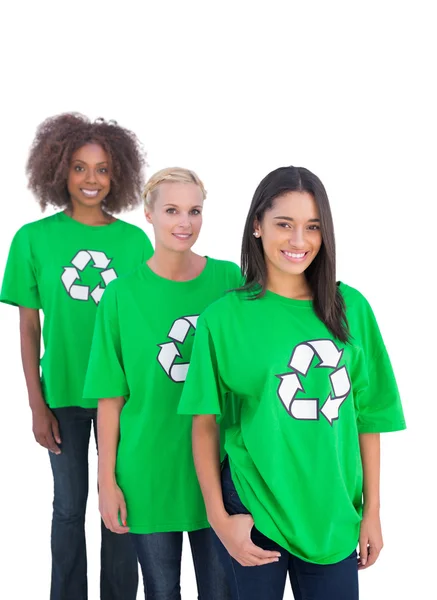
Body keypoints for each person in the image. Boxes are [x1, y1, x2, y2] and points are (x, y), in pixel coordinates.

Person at [178, 165, 406, 600]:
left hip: (331, 514)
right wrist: (218, 518)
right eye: (285, 224)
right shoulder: (224, 319)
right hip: (255, 505)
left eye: (312, 227)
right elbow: (204, 422)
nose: (299, 241)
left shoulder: (350, 308)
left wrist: (372, 512)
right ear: (258, 226)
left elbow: (369, 417)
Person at [0, 113, 153, 600]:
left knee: (120, 504)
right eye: (80, 168)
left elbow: (146, 326)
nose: (92, 180)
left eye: (103, 169)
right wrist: (35, 403)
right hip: (63, 392)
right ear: (58, 170)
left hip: (123, 398)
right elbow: (29, 326)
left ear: (118, 175)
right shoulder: (33, 239)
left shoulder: (134, 242)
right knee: (69, 507)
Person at [83, 167, 240, 599]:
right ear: (148, 214)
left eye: (194, 211)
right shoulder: (120, 296)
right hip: (147, 472)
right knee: (160, 591)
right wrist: (106, 480)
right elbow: (111, 399)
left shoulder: (230, 282)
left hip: (218, 471)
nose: (184, 222)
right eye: (172, 210)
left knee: (223, 592)